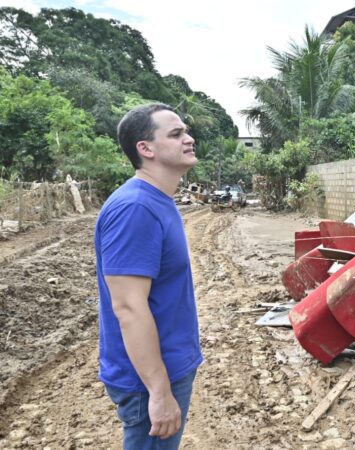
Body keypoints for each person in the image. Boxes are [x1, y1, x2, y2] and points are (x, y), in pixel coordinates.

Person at [94, 103, 203, 449]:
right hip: (149, 380)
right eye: (176, 134)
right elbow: (127, 307)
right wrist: (158, 391)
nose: (189, 138)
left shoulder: (159, 200)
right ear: (146, 148)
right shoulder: (135, 209)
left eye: (185, 131)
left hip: (168, 366)